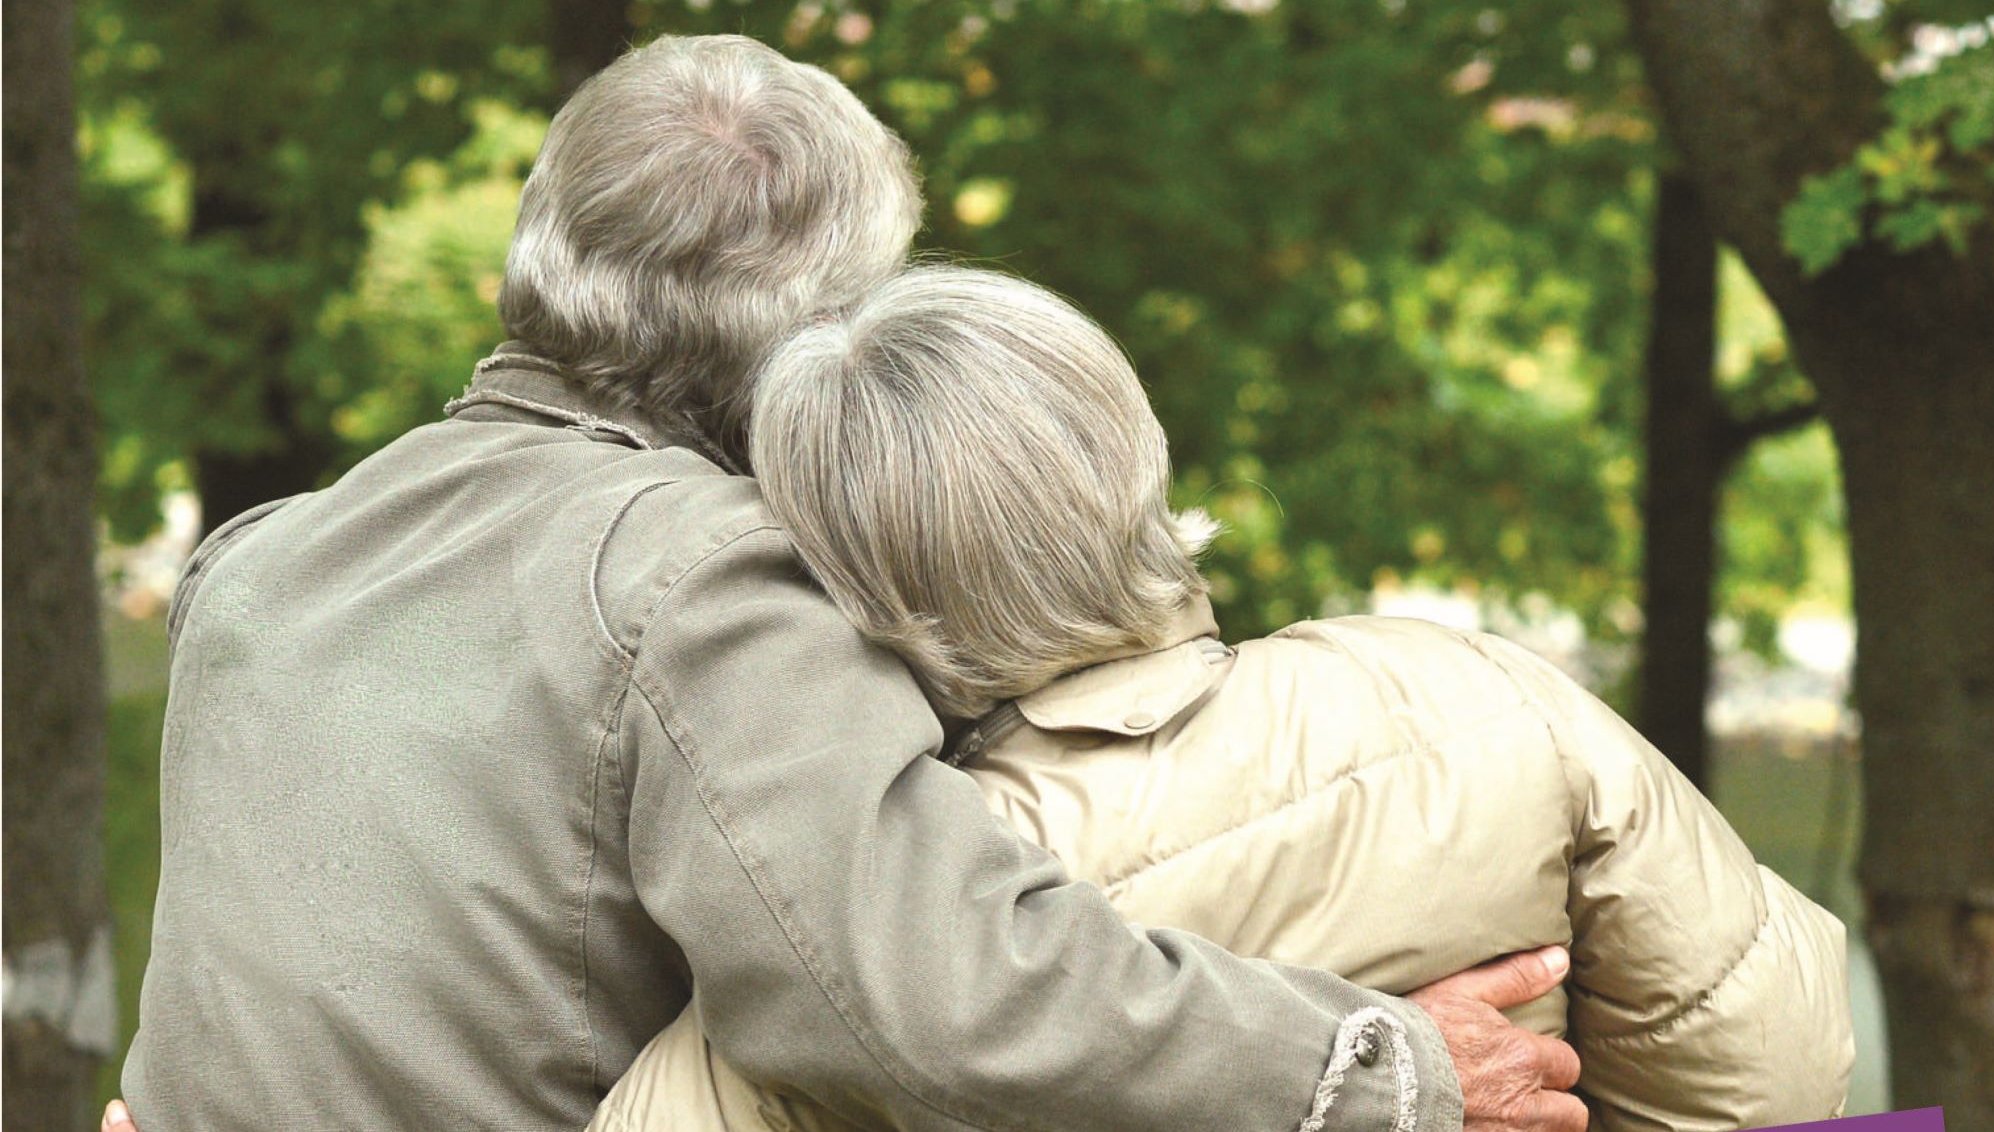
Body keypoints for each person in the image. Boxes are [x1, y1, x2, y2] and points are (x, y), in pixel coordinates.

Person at [113, 34, 1589, 1132]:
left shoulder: (264, 559)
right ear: (814, 339)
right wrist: (1370, 1073)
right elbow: (937, 996)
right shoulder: (700, 573)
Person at [590, 266, 1856, 1132]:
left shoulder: (885, 921)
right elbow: (1777, 1069)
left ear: (845, 581)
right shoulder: (1476, 699)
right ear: (1127, 454)